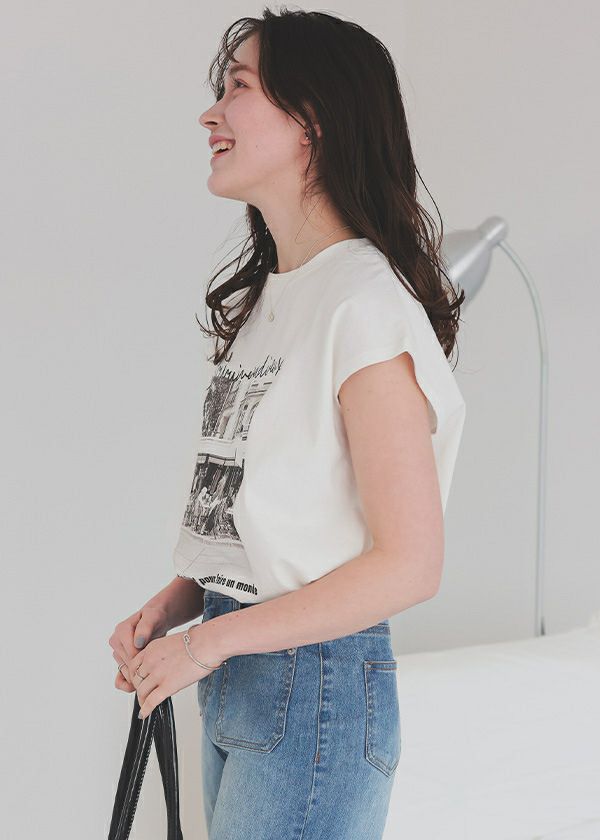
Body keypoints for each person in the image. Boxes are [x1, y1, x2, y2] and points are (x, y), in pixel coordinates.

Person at [109, 8, 466, 839]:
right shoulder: (277, 299)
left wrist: (206, 646)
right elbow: (281, 519)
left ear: (313, 120)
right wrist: (179, 605)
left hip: (313, 690)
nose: (210, 113)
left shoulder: (363, 304)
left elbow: (410, 563)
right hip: (246, 672)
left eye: (237, 87)